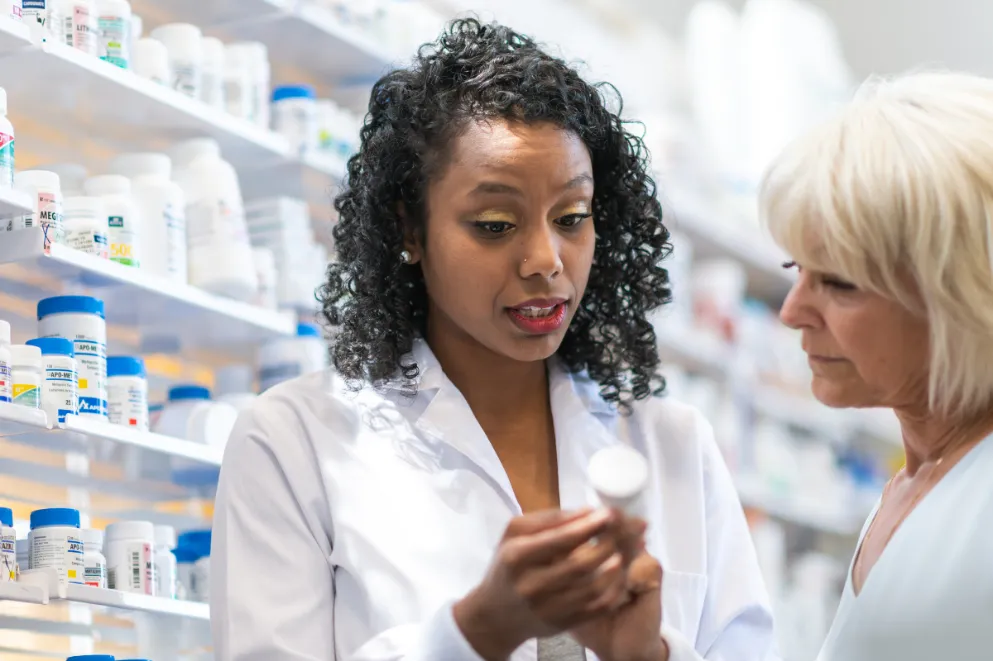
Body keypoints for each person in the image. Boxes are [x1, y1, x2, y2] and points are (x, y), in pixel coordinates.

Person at [211, 19, 776, 661]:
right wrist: (474, 632)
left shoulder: (674, 446)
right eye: (494, 224)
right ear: (411, 230)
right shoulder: (295, 442)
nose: (545, 259)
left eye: (571, 219)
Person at [760, 70, 993, 661]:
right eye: (797, 271)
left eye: (838, 283)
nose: (792, 313)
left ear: (961, 297)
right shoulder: (914, 483)